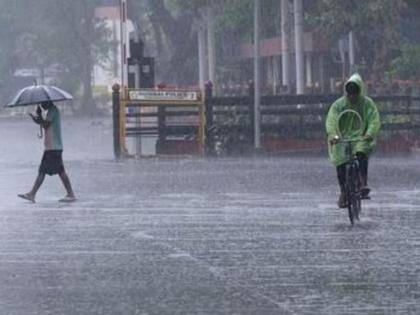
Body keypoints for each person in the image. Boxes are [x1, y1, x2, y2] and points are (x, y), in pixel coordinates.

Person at [326, 73, 381, 208]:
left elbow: (374, 120)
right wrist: (333, 135)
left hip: (361, 136)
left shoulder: (367, 104)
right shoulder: (338, 105)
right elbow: (331, 120)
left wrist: (369, 133)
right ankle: (343, 192)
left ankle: (363, 182)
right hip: (341, 137)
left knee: (361, 152)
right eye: (350, 94)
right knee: (340, 164)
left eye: (355, 93)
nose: (352, 97)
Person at [18, 101, 76, 203]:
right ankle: (70, 193)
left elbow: (45, 125)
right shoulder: (52, 111)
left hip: (53, 148)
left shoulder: (53, 111)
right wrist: (38, 118)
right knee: (59, 171)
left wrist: (39, 116)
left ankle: (32, 194)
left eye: (43, 103)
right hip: (53, 147)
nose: (42, 105)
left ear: (48, 102)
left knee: (44, 171)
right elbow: (45, 124)